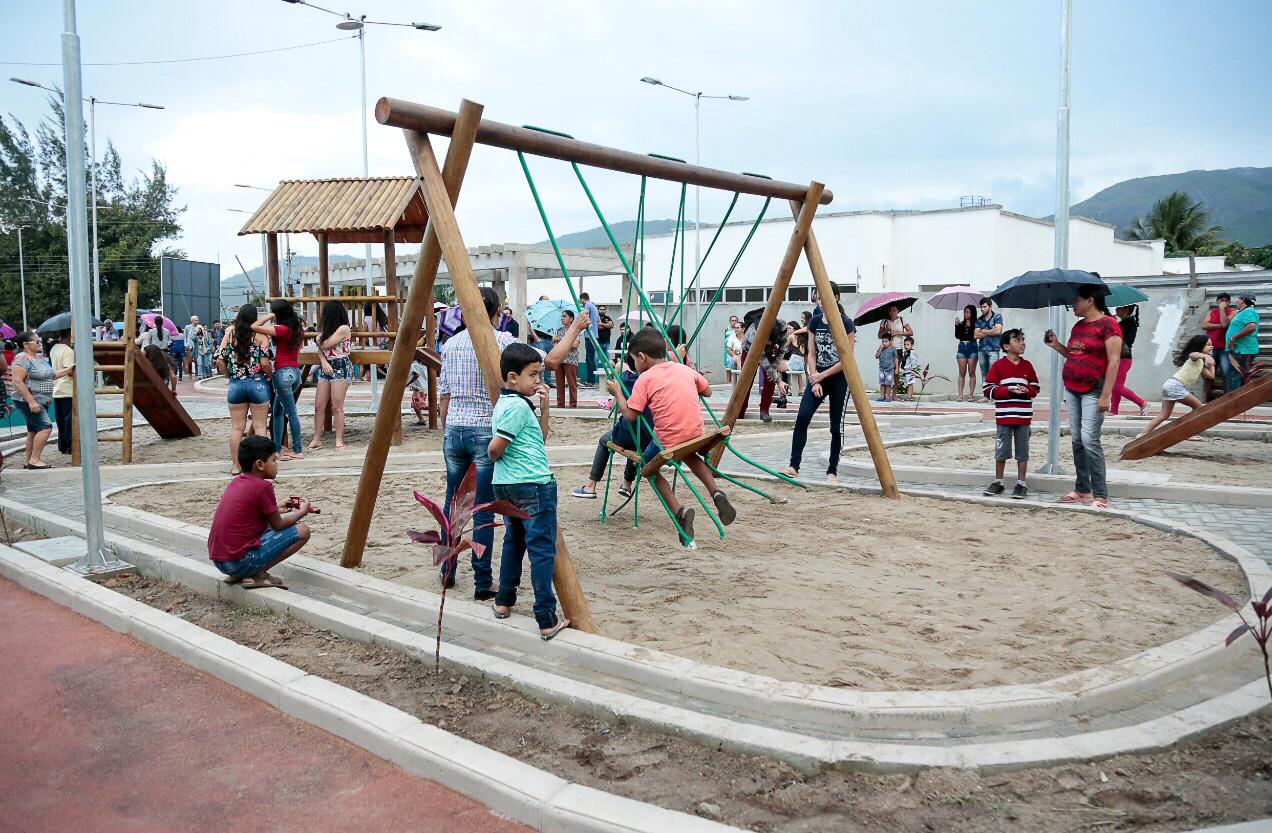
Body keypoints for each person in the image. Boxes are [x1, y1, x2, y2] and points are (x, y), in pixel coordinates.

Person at [606, 328, 734, 546]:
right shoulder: (683, 369)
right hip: (695, 433)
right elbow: (708, 392)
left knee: (648, 468)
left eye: (634, 360)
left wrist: (617, 392)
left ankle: (679, 512)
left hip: (667, 440)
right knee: (689, 454)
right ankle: (716, 492)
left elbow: (630, 415)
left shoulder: (644, 379)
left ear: (642, 358)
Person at [438, 286, 521, 599]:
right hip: (485, 429)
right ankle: (482, 582)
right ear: (497, 312)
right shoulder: (502, 341)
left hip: (455, 427)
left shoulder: (451, 343)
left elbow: (444, 395)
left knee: (452, 504)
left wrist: (446, 431)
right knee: (483, 509)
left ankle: (447, 570)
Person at [488, 343, 568, 640]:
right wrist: (492, 451)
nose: (538, 381)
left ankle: (504, 600)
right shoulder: (518, 408)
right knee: (541, 550)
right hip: (533, 483)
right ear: (512, 378)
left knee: (514, 542)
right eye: (533, 375)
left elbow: (540, 437)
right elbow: (495, 448)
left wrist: (545, 407)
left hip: (508, 484)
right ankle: (546, 617)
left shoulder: (511, 404)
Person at [1044, 283, 1122, 510]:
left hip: (1094, 388)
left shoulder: (1109, 324)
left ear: (1091, 300)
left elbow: (1114, 360)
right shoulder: (1078, 326)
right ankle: (1082, 489)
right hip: (1072, 387)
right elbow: (1075, 354)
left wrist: (1106, 395)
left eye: (1077, 300)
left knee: (1090, 440)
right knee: (1077, 440)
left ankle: (1101, 494)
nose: (1073, 305)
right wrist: (1056, 345)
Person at [207, 435, 313, 591]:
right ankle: (258, 573)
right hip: (239, 562)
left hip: (221, 562)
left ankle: (243, 573)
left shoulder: (236, 482)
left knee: (265, 526)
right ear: (260, 464)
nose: (276, 465)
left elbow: (248, 512)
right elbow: (278, 525)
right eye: (273, 460)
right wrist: (302, 512)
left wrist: (275, 508)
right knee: (303, 530)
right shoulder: (263, 487)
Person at [779, 281, 857, 483]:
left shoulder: (846, 323)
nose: (822, 300)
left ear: (836, 298)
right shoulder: (814, 322)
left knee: (835, 426)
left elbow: (847, 359)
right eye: (819, 296)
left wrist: (822, 376)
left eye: (826, 296)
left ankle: (832, 470)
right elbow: (812, 353)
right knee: (802, 418)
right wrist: (815, 379)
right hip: (818, 377)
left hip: (839, 378)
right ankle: (794, 466)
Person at [572, 350, 647, 500]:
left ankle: (591, 486)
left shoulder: (625, 379)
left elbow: (619, 408)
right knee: (635, 442)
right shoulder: (652, 380)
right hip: (651, 436)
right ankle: (626, 483)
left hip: (629, 433)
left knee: (605, 440)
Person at [982, 329, 1039, 499]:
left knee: (1023, 450)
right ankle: (998, 481)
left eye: (1023, 339)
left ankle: (1021, 483)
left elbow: (1035, 388)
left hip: (1023, 417)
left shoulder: (1027, 366)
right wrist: (1007, 390)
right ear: (1006, 346)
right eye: (1017, 340)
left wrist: (1026, 390)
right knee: (1002, 449)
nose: (1022, 343)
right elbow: (987, 390)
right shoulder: (998, 366)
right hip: (1004, 417)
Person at [218, 304, 273, 475]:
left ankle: (236, 465)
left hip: (236, 384)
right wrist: (269, 375)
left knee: (236, 428)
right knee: (260, 427)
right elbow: (264, 362)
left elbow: (220, 360)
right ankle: (261, 465)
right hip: (257, 383)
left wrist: (229, 374)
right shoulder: (261, 335)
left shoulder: (229, 333)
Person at [252, 300, 306, 461]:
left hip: (282, 373)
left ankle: (297, 449)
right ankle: (276, 449)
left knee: (290, 412)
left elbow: (254, 327)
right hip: (295, 373)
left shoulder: (281, 329)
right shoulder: (297, 329)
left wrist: (269, 315)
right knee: (277, 412)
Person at [11, 330, 70, 469]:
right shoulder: (22, 359)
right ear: (25, 344)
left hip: (40, 400)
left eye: (40, 341)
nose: (40, 344)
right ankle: (34, 460)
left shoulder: (38, 359)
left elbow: (51, 375)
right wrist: (31, 401)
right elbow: (18, 381)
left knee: (33, 430)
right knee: (45, 428)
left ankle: (29, 460)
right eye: (36, 342)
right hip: (28, 400)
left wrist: (69, 370)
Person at [1139, 335, 1215, 437]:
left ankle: (1143, 434)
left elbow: (1210, 376)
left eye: (1211, 345)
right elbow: (1193, 354)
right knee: (1199, 407)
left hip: (1169, 385)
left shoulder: (1200, 362)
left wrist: (1211, 364)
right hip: (1176, 386)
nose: (1211, 347)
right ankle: (1189, 432)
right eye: (1208, 345)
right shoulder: (1195, 358)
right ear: (1199, 346)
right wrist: (1206, 356)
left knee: (1164, 415)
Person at [310, 301, 354, 451]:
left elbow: (323, 344)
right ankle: (317, 438)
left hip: (341, 365)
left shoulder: (343, 328)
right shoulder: (326, 330)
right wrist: (323, 362)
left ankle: (339, 439)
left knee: (337, 406)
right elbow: (320, 349)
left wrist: (318, 340)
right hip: (327, 366)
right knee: (319, 405)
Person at [738, 311, 787, 421]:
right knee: (746, 381)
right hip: (749, 349)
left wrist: (774, 366)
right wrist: (778, 380)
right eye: (765, 343)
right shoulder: (754, 335)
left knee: (769, 380)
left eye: (769, 343)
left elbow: (783, 348)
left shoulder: (782, 325)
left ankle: (764, 410)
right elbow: (764, 361)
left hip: (768, 352)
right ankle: (740, 410)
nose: (767, 345)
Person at [1110, 304, 1151, 416]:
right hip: (1123, 357)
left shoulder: (1127, 323)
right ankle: (1114, 411)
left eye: (1118, 308)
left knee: (1115, 386)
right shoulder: (1127, 322)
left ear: (1126, 310)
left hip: (1122, 357)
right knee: (1117, 385)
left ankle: (1142, 403)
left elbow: (1123, 340)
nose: (1116, 310)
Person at [1202, 292, 1233, 401]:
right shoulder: (1211, 312)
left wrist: (1222, 310)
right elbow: (1204, 325)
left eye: (1225, 300)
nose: (1223, 302)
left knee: (1225, 374)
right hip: (1210, 349)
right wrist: (1221, 326)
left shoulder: (1232, 312)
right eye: (1221, 300)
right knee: (1208, 375)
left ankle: (1226, 400)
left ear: (1229, 302)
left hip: (1225, 349)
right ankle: (1204, 400)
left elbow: (1225, 323)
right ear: (1217, 301)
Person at [1225, 294, 1260, 390]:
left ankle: (1232, 401)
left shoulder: (1248, 311)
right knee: (1239, 375)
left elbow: (1251, 326)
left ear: (1243, 300)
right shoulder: (1242, 312)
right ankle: (1237, 401)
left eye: (1238, 299)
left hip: (1243, 350)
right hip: (1239, 349)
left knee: (1233, 375)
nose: (1236, 301)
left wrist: (1233, 338)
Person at [49, 331, 75, 455]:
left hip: (57, 388)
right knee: (69, 419)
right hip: (67, 388)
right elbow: (70, 370)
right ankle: (70, 444)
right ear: (70, 336)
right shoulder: (68, 351)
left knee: (60, 419)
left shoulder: (54, 348)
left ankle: (62, 445)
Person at [137, 315, 177, 394]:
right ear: (162, 323)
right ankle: (168, 388)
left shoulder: (151, 331)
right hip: (165, 353)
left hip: (153, 353)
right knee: (169, 372)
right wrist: (174, 390)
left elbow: (149, 342)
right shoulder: (167, 331)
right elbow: (168, 341)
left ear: (154, 323)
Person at [974, 299, 1004, 400]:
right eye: (981, 307)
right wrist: (991, 330)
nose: (982, 309)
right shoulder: (979, 319)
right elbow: (976, 335)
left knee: (994, 373)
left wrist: (983, 330)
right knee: (984, 374)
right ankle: (986, 395)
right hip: (982, 349)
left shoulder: (997, 317)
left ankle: (995, 394)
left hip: (993, 349)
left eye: (984, 307)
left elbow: (998, 331)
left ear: (990, 307)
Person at [552, 309, 580, 409]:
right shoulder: (559, 330)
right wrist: (554, 341)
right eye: (562, 316)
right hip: (559, 359)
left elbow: (575, 344)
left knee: (572, 383)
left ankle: (573, 405)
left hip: (571, 359)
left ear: (571, 318)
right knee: (559, 384)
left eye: (564, 316)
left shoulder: (575, 330)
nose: (562, 318)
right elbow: (555, 345)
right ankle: (560, 404)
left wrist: (560, 340)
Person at [878, 304, 911, 385]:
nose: (892, 312)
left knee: (896, 372)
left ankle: (894, 395)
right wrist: (886, 330)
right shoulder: (885, 321)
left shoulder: (902, 320)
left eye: (894, 310)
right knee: (886, 371)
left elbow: (910, 332)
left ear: (898, 311)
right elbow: (879, 336)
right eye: (890, 310)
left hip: (898, 349)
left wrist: (898, 332)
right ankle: (886, 394)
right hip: (887, 349)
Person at [954, 304, 978, 401]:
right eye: (964, 311)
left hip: (972, 347)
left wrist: (971, 326)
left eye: (967, 312)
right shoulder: (961, 324)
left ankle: (971, 395)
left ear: (972, 313)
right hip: (962, 347)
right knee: (962, 372)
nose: (965, 313)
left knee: (971, 372)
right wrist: (957, 325)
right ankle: (960, 394)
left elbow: (975, 336)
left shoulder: (976, 324)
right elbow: (957, 336)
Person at [578, 292, 600, 387]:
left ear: (582, 299)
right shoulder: (594, 307)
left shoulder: (587, 306)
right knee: (591, 358)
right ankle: (591, 380)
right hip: (594, 335)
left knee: (589, 359)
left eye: (580, 300)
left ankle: (590, 381)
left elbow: (583, 315)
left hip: (589, 335)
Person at [408, 348, 430, 425]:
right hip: (423, 387)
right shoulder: (423, 366)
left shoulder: (414, 365)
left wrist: (408, 383)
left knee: (420, 405)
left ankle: (436, 408)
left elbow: (416, 375)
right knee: (415, 404)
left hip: (418, 388)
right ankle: (421, 420)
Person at [875, 333, 897, 402]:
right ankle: (882, 396)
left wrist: (897, 368)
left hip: (890, 369)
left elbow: (896, 359)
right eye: (883, 341)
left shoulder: (893, 349)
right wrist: (880, 349)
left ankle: (888, 396)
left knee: (888, 383)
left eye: (886, 341)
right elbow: (876, 356)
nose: (884, 343)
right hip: (882, 369)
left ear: (890, 342)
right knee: (882, 383)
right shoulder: (881, 349)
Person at [899, 335, 920, 401]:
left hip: (910, 371)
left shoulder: (912, 353)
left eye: (908, 344)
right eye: (904, 344)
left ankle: (910, 397)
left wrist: (913, 370)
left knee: (910, 384)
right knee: (908, 384)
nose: (906, 346)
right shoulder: (906, 352)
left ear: (912, 345)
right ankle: (909, 396)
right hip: (906, 371)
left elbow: (914, 361)